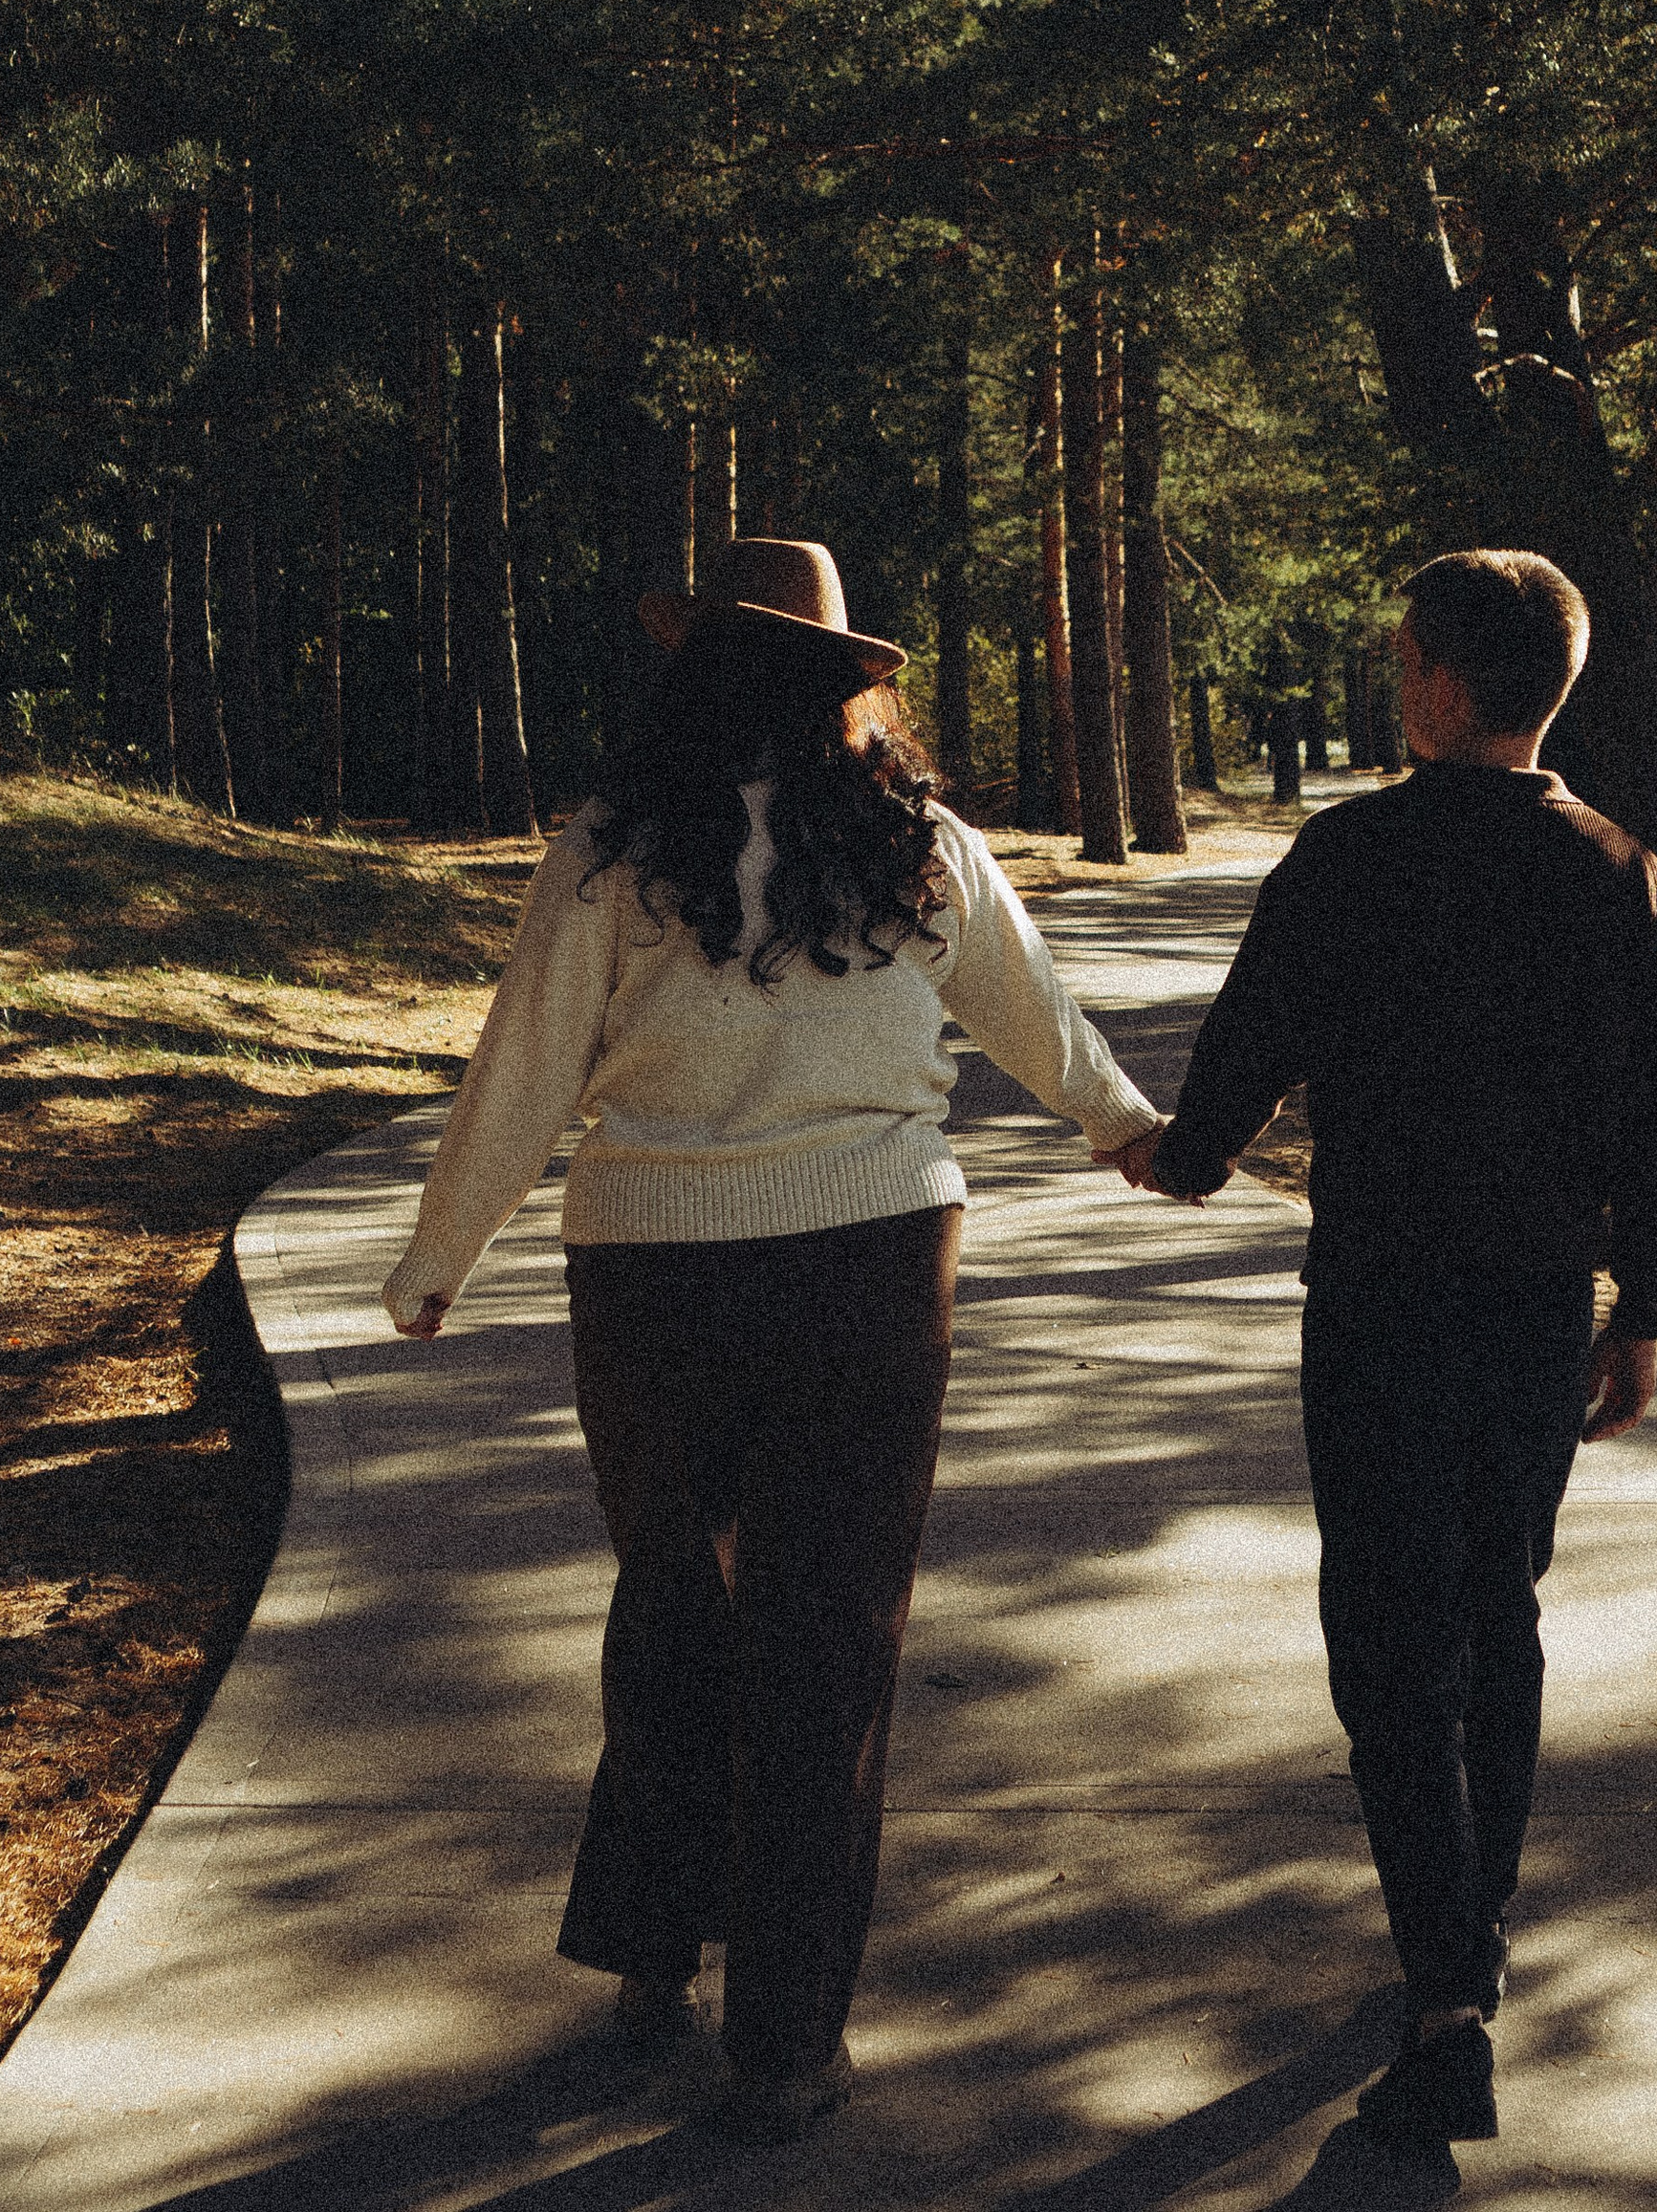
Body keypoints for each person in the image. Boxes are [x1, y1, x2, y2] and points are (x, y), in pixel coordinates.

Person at [382, 538, 1161, 2142]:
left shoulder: (607, 854)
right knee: (829, 1647)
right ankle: (787, 2047)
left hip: (652, 1280)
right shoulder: (911, 846)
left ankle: (652, 1962)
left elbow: (523, 1066)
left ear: (693, 677)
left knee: (675, 1604)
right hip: (871, 1275)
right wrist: (1126, 1128)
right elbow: (1031, 1008)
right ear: (844, 692)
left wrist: (437, 1259)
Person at [1111, 548, 1657, 2154]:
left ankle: (1445, 1994)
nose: (1393, 675)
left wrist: (1177, 1155)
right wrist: (1642, 1310)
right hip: (1530, 1312)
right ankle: (1470, 1938)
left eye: (1400, 656)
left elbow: (1247, 1055)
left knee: (1386, 1644)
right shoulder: (1621, 868)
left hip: (1377, 1303)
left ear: (1441, 683)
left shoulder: (1348, 855)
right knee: (1496, 1610)